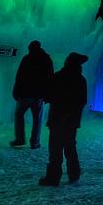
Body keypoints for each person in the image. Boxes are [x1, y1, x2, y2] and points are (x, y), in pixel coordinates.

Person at [39, 52, 89, 187]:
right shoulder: (81, 79)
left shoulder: (58, 77)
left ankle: (53, 177)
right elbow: (83, 100)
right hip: (72, 120)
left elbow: (47, 95)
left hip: (57, 118)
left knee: (55, 148)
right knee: (70, 147)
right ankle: (74, 174)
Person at [10, 40, 54, 149]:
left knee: (19, 114)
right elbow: (50, 79)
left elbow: (19, 77)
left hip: (25, 94)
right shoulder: (46, 59)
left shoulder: (27, 59)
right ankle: (35, 142)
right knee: (37, 119)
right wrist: (47, 95)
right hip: (38, 95)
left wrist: (16, 91)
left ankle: (20, 139)